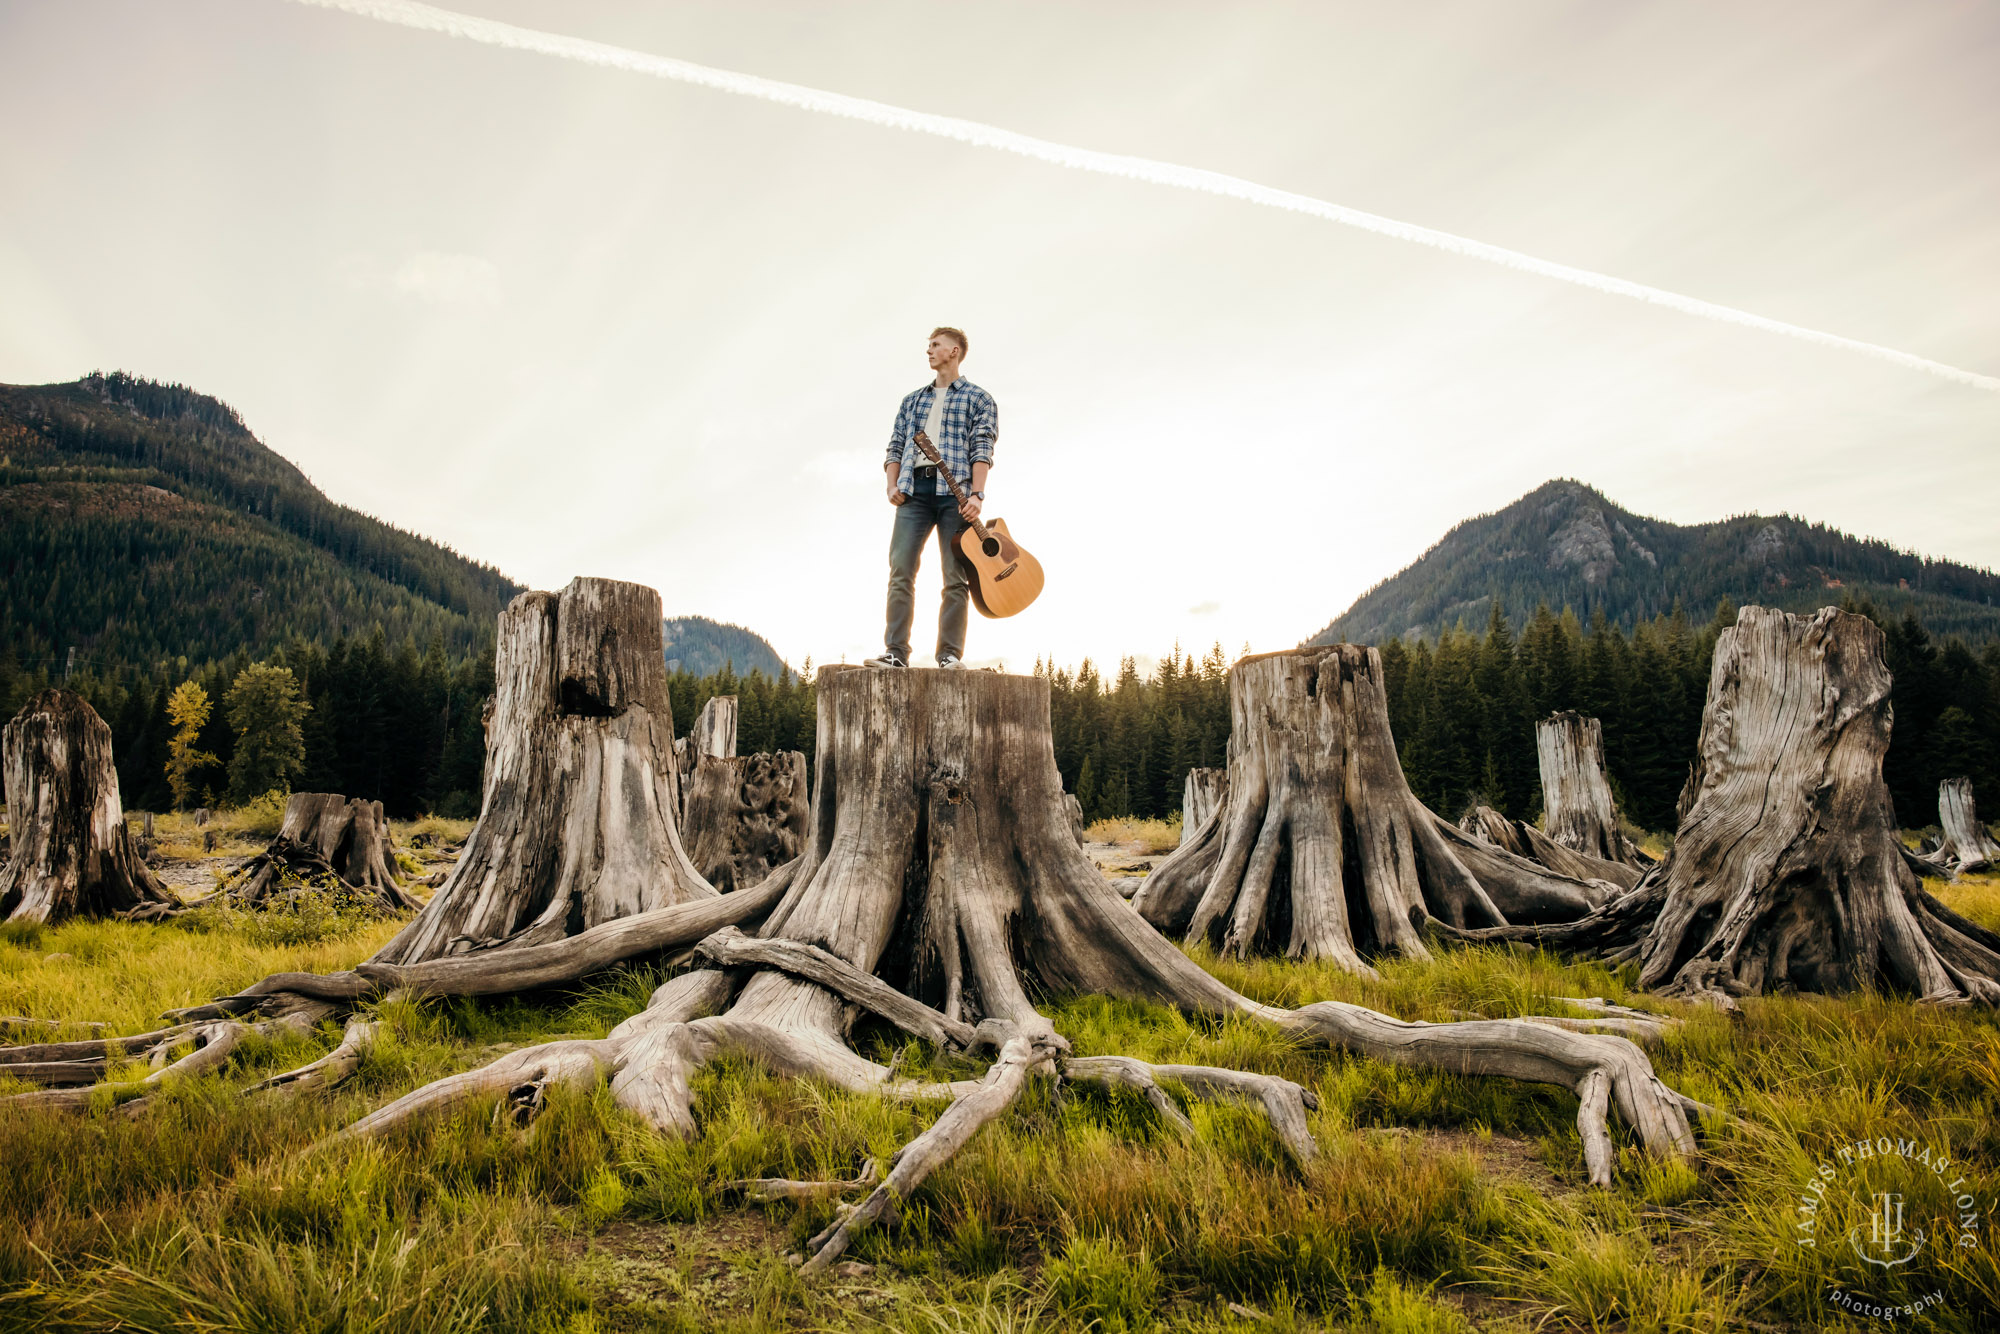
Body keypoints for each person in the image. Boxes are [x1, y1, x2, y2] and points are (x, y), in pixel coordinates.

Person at [866, 327, 997, 669]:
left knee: (956, 576)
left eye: (935, 345)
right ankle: (895, 652)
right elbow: (895, 445)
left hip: (956, 497)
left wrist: (977, 494)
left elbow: (982, 447)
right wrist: (892, 484)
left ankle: (949, 655)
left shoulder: (979, 398)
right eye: (929, 346)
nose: (929, 351)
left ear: (954, 351)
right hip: (915, 493)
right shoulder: (912, 400)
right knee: (901, 571)